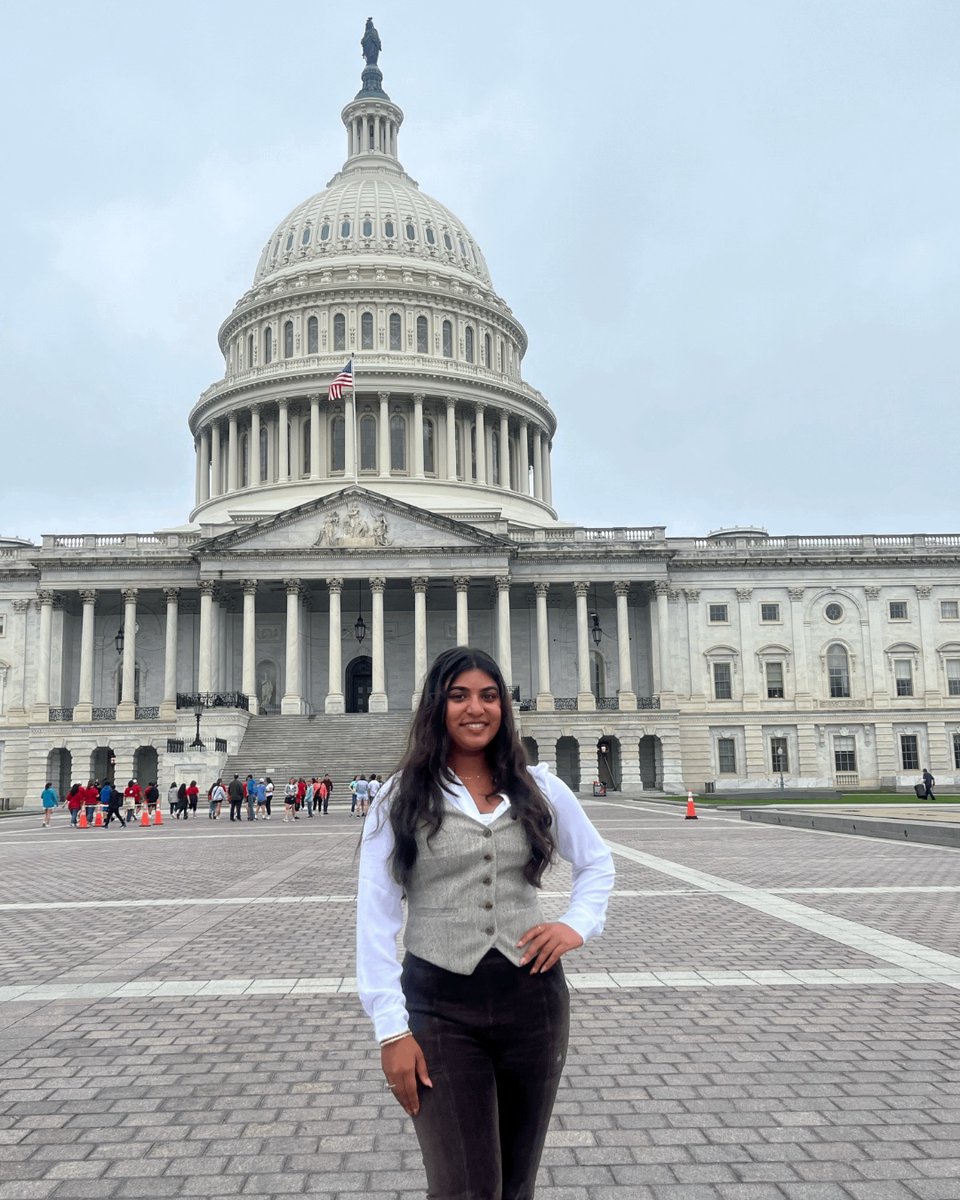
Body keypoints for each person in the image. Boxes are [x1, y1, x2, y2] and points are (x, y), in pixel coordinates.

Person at [357, 647, 614, 1200]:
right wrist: (391, 1031)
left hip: (533, 1003)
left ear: (504, 706)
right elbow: (375, 922)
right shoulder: (398, 798)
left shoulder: (539, 786)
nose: (476, 709)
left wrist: (576, 924)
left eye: (489, 695)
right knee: (464, 1188)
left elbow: (597, 863)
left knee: (515, 1185)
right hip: (438, 1005)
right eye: (459, 695)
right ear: (437, 705)